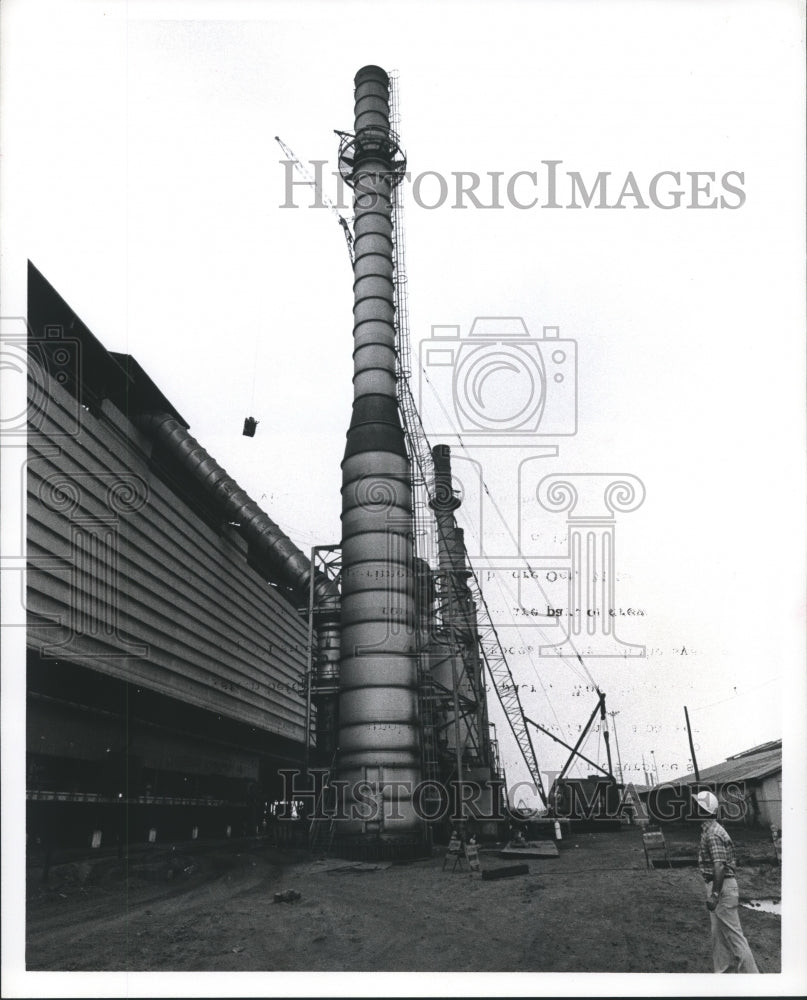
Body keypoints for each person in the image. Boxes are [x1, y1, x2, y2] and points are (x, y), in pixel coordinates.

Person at [694, 789, 759, 973]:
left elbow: (720, 866)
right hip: (720, 885)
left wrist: (715, 894)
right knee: (718, 936)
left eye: (696, 806)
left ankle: (754, 979)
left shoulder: (713, 834)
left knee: (735, 938)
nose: (693, 809)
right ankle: (723, 974)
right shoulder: (709, 830)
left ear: (702, 810)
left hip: (721, 887)